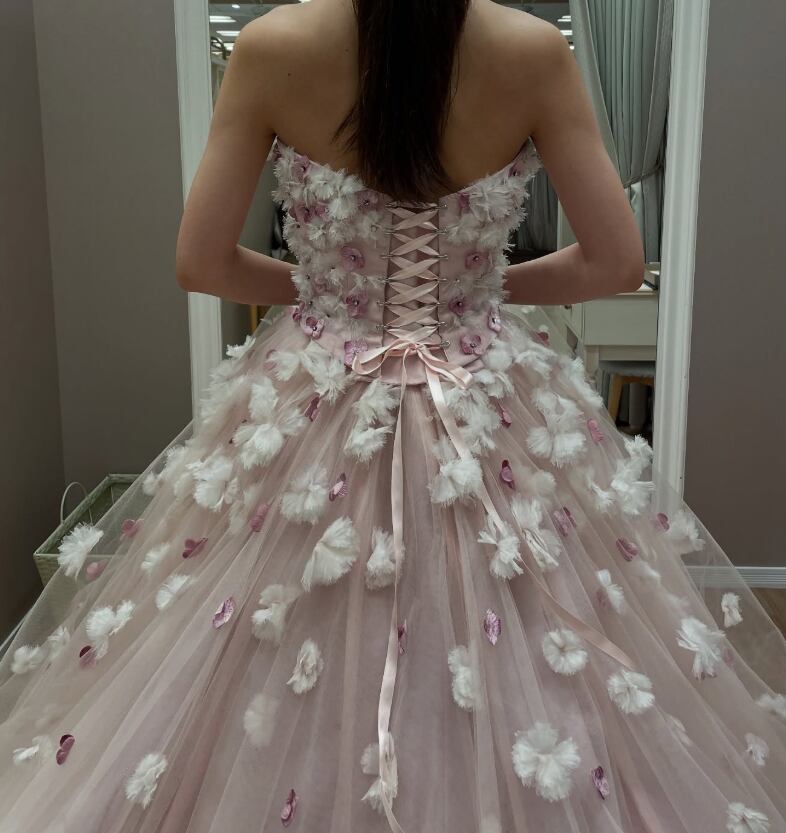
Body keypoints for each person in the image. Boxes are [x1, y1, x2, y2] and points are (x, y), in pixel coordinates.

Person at [1, 1, 784, 830]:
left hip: (316, 392)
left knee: (252, 630)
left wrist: (331, 293)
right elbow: (617, 261)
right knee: (527, 628)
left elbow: (202, 261)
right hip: (484, 392)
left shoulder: (271, 47)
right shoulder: (530, 50)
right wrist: (479, 291)